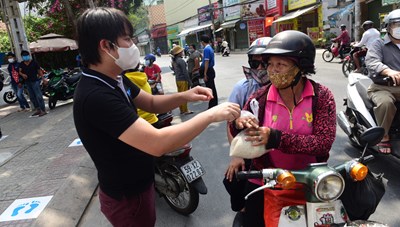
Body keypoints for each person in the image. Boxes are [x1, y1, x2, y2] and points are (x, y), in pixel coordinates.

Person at [73, 8, 240, 227]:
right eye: (127, 39)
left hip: (141, 183)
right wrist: (210, 115)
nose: (132, 45)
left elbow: (150, 102)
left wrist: (185, 95)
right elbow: (156, 143)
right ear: (106, 46)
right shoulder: (95, 96)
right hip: (128, 196)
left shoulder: (115, 78)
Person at [228, 30, 336, 227]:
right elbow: (237, 128)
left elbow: (323, 143)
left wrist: (276, 138)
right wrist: (238, 124)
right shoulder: (258, 99)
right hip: (266, 181)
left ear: (300, 67)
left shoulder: (322, 96)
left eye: (281, 64)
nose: (272, 70)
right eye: (270, 64)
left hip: (311, 181)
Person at [223, 36, 272, 224]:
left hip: (280, 148)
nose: (259, 69)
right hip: (251, 148)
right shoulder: (243, 88)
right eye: (254, 63)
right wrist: (237, 155)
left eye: (264, 63)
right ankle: (242, 209)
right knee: (233, 179)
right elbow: (231, 123)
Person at [365, 9, 400, 154]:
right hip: (382, 87)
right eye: (396, 25)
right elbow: (372, 61)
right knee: (385, 103)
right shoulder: (378, 44)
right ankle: (383, 135)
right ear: (388, 27)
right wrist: (389, 71)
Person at [19, 50, 47, 117]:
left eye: (26, 55)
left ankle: (43, 110)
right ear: (22, 57)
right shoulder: (22, 64)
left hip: (35, 81)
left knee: (39, 96)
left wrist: (43, 79)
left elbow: (39, 71)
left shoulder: (34, 63)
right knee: (32, 97)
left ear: (28, 56)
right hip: (27, 82)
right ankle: (38, 109)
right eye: (24, 56)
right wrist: (23, 75)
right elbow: (19, 71)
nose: (25, 57)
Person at [171, 45, 193, 115]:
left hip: (178, 80)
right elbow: (185, 72)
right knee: (184, 96)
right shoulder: (181, 60)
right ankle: (185, 110)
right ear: (179, 53)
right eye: (182, 51)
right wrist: (189, 82)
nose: (183, 52)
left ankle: (182, 110)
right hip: (183, 80)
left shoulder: (175, 60)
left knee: (180, 95)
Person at [199, 34, 218, 109]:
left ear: (203, 42)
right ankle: (214, 103)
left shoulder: (206, 49)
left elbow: (206, 62)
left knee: (210, 88)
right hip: (210, 70)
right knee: (212, 87)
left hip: (208, 71)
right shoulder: (210, 48)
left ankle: (212, 105)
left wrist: (205, 73)